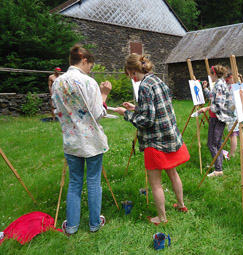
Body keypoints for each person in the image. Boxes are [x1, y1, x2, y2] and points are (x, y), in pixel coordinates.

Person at [114, 54, 190, 225]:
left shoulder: (144, 86)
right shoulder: (157, 80)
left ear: (131, 72)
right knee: (173, 173)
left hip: (156, 141)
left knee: (155, 183)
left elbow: (147, 121)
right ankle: (181, 204)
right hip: (170, 136)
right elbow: (157, 106)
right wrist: (136, 108)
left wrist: (126, 114)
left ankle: (162, 218)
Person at [52, 44, 112, 236]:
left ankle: (71, 226)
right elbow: (97, 113)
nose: (90, 70)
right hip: (91, 140)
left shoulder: (57, 83)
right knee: (93, 181)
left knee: (75, 182)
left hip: (71, 139)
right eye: (90, 66)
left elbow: (58, 111)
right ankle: (95, 224)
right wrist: (104, 95)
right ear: (84, 61)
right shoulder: (88, 82)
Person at [198, 65, 233, 177]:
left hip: (218, 118)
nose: (209, 76)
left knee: (212, 143)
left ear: (214, 74)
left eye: (210, 73)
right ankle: (217, 164)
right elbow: (213, 97)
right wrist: (205, 88)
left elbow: (218, 105)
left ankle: (218, 170)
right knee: (216, 143)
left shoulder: (219, 85)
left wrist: (206, 108)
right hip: (217, 117)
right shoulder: (219, 84)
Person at [224, 73, 243, 157]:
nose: (227, 80)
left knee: (233, 134)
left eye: (229, 78)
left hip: (234, 113)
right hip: (240, 112)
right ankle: (242, 150)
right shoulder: (238, 86)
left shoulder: (235, 88)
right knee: (240, 131)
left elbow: (233, 103)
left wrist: (227, 108)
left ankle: (232, 153)